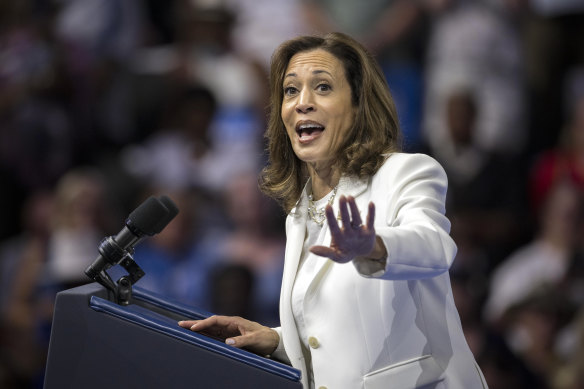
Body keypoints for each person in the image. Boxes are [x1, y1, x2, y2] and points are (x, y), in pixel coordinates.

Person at [179, 32, 487, 389]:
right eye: (291, 90)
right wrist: (278, 340)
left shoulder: (405, 172)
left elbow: (435, 247)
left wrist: (373, 246)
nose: (302, 103)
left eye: (322, 87)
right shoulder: (299, 212)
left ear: (358, 106)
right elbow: (334, 330)